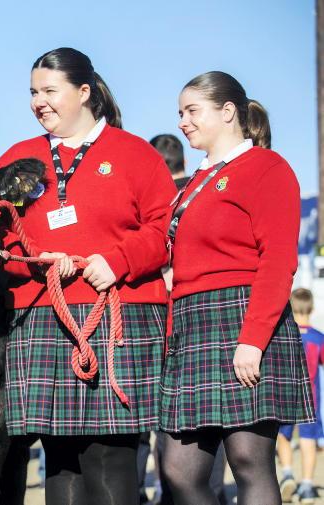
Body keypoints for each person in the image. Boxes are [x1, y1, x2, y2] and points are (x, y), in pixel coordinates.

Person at [0, 47, 176, 505]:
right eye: (33, 92)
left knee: (111, 457)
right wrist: (34, 263)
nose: (39, 102)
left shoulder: (136, 154)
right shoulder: (17, 158)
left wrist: (118, 260)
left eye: (49, 91)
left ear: (84, 92)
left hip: (121, 315)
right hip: (42, 316)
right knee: (61, 460)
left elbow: (166, 229)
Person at [159, 71, 315, 505]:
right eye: (180, 112)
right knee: (178, 467)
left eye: (192, 111)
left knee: (248, 460)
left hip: (243, 319)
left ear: (228, 111)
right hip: (191, 328)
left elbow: (278, 260)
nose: (182, 121)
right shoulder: (190, 185)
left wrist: (253, 339)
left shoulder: (267, 167)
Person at [145, 133, 228, 505]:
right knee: (212, 421)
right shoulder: (198, 190)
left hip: (162, 318)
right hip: (205, 318)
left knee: (166, 426)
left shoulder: (171, 197)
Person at [277, 288, 324, 504]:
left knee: (283, 436)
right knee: (308, 439)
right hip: (310, 399)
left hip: (285, 396)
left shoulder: (285, 334)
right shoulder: (318, 338)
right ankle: (306, 486)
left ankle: (287, 474)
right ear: (312, 309)